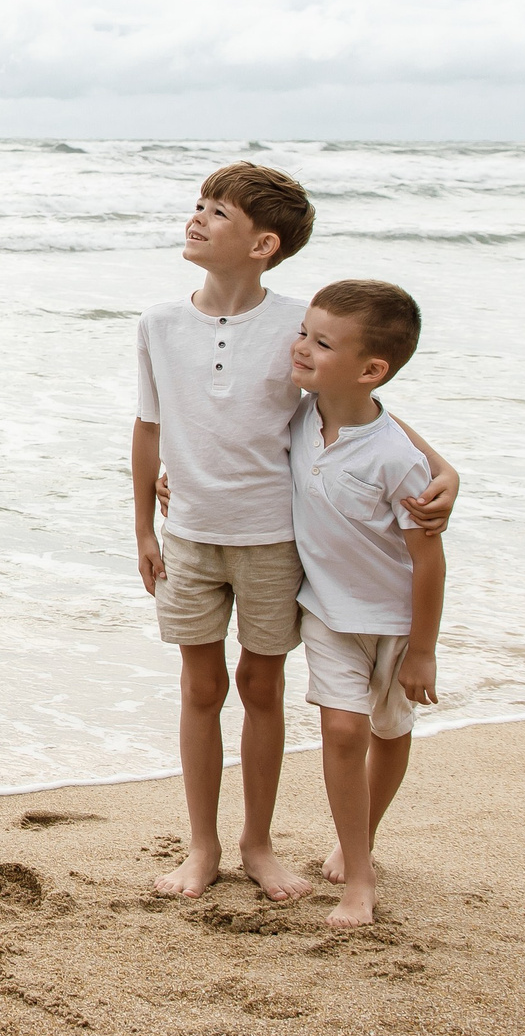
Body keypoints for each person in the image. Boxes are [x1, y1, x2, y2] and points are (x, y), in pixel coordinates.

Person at [132, 163, 459, 903]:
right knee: (200, 685)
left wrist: (445, 467)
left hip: (274, 538)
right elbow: (148, 427)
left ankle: (257, 844)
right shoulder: (158, 323)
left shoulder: (294, 324)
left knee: (261, 685)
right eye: (199, 204)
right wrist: (143, 528)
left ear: (263, 243)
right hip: (187, 533)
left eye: (217, 210)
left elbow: (354, 404)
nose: (197, 217)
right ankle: (202, 845)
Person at [285, 280, 446, 929]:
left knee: (389, 729)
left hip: (396, 622)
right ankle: (359, 874)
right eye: (302, 330)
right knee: (343, 729)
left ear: (371, 369)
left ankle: (364, 834)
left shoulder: (396, 458)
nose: (299, 346)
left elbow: (428, 558)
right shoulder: (294, 417)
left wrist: (424, 651)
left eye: (320, 342)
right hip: (327, 612)